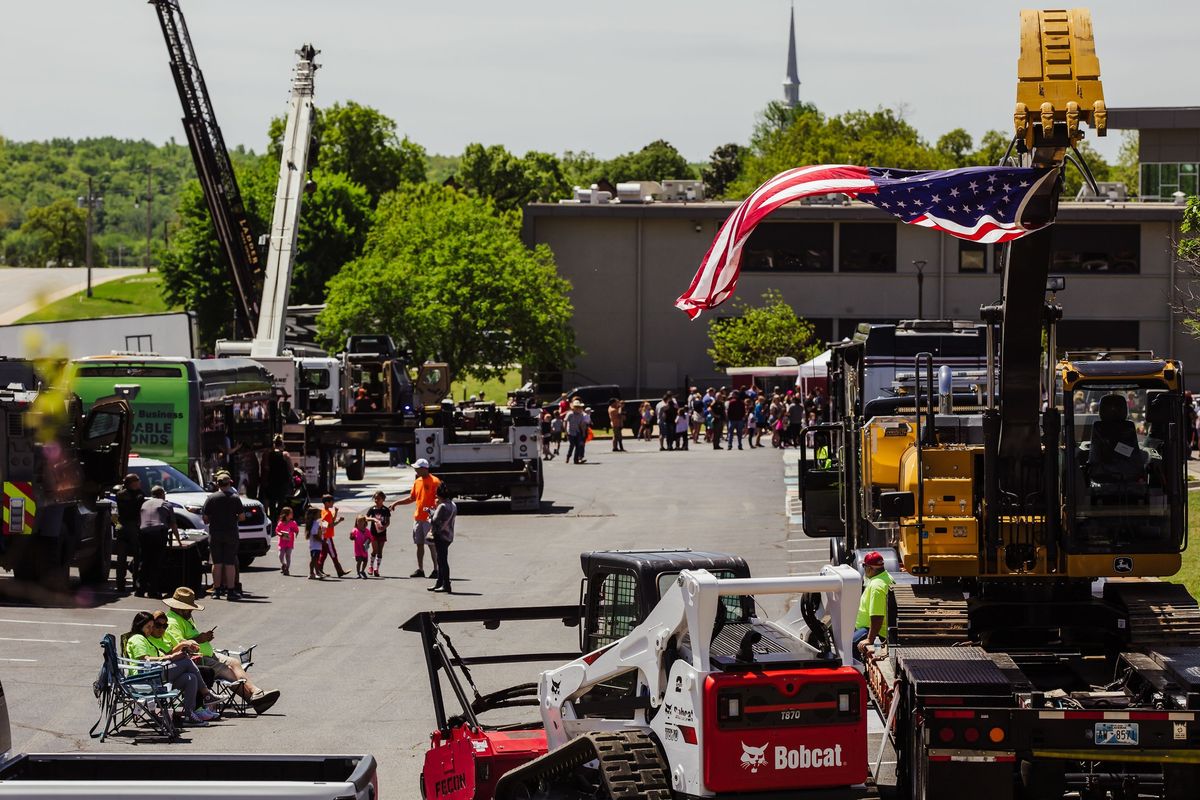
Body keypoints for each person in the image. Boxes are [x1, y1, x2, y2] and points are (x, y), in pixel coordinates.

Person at [161, 587, 280, 715]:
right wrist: (200, 639)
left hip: (208, 655)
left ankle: (255, 691)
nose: (191, 610)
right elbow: (182, 645)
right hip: (196, 658)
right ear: (180, 608)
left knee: (234, 662)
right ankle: (254, 698)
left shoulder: (184, 617)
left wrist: (203, 638)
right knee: (227, 670)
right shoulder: (172, 622)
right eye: (189, 608)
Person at [125, 610, 218, 725]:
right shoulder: (137, 638)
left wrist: (175, 655)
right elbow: (144, 660)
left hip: (155, 674)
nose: (150, 629)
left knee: (190, 678)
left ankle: (190, 714)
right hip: (145, 677)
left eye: (151, 626)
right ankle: (206, 694)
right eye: (148, 627)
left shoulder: (145, 638)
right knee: (186, 661)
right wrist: (170, 657)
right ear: (139, 626)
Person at [390, 458, 442, 578]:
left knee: (431, 545)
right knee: (419, 544)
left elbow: (440, 499)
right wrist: (396, 503)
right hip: (418, 518)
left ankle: (436, 569)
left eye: (418, 468)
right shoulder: (417, 481)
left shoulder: (435, 481)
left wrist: (437, 515)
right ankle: (420, 569)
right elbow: (411, 498)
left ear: (425, 469)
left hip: (429, 519)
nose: (416, 470)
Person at [202, 470, 244, 601]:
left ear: (217, 484)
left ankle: (217, 590)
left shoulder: (211, 498)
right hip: (231, 533)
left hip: (215, 533)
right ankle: (231, 591)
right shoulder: (235, 498)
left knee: (217, 563)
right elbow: (242, 517)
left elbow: (205, 519)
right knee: (230, 563)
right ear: (229, 483)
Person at [138, 485, 180, 599]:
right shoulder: (166, 504)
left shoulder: (145, 503)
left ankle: (140, 589)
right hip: (158, 533)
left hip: (144, 533)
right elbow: (173, 524)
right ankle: (153, 591)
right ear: (162, 494)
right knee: (156, 562)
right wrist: (178, 540)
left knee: (145, 561)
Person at [853, 551, 894, 662]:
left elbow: (877, 616)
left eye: (864, 566)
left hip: (875, 632)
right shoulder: (886, 577)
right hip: (877, 629)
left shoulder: (876, 587)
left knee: (851, 644)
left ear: (870, 568)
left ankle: (859, 673)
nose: (863, 569)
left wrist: (869, 639)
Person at [114, 473, 144, 595]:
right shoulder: (139, 495)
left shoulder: (120, 494)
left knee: (121, 558)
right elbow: (138, 509)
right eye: (137, 481)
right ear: (132, 483)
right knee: (137, 556)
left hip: (121, 526)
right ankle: (136, 583)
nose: (139, 483)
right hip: (133, 527)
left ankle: (120, 583)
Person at [427, 483, 457, 593]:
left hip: (441, 536)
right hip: (449, 535)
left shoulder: (442, 506)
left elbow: (434, 520)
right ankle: (439, 583)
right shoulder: (453, 505)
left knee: (442, 561)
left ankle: (446, 584)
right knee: (441, 560)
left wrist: (430, 516)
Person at [262, 435, 293, 525]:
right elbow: (291, 469)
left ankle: (272, 519)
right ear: (282, 444)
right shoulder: (285, 454)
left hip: (271, 481)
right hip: (282, 482)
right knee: (281, 502)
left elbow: (266, 467)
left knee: (272, 502)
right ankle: (280, 520)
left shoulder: (269, 454)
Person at [317, 494, 349, 578]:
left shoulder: (325, 511)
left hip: (325, 536)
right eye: (332, 502)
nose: (333, 503)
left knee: (323, 554)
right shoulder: (326, 513)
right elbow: (329, 525)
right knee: (333, 554)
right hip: (327, 537)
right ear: (327, 503)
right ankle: (339, 571)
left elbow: (330, 521)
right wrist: (339, 521)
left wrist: (336, 513)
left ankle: (319, 569)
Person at [364, 490, 391, 577]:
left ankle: (377, 569)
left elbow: (388, 522)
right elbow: (366, 517)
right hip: (373, 533)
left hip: (382, 533)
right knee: (374, 550)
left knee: (380, 551)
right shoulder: (372, 509)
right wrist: (373, 519)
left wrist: (384, 527)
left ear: (383, 499)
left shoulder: (385, 510)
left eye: (378, 499)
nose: (376, 500)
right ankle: (371, 566)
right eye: (375, 499)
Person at [275, 506, 298, 575]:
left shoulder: (293, 523)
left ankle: (287, 569)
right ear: (286, 514)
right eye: (291, 513)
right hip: (282, 542)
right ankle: (283, 564)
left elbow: (296, 530)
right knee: (281, 555)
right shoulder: (281, 523)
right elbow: (277, 531)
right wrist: (280, 534)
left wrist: (295, 531)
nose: (292, 514)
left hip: (290, 542)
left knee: (288, 555)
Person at [304, 506, 324, 579]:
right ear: (315, 515)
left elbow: (327, 526)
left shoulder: (317, 522)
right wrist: (321, 541)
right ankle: (312, 573)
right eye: (319, 513)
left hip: (315, 545)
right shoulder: (316, 523)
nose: (320, 515)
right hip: (315, 545)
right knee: (314, 560)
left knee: (315, 560)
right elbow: (314, 534)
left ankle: (316, 573)